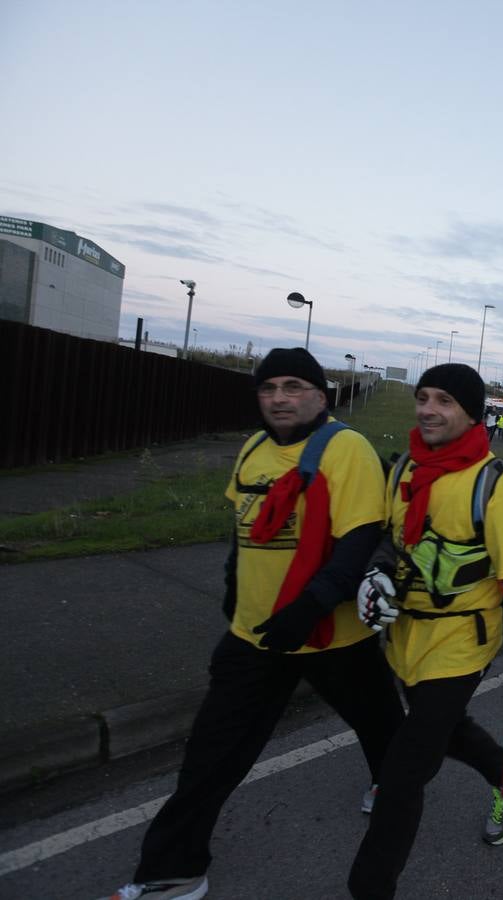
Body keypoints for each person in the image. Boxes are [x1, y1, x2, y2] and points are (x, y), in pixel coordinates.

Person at [108, 348, 405, 900]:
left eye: (293, 386)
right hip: (255, 637)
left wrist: (310, 606)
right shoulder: (252, 448)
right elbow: (241, 531)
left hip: (331, 636)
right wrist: (231, 585)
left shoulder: (348, 450)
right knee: (210, 756)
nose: (279, 398)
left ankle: (392, 785)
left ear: (321, 394)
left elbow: (358, 541)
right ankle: (173, 873)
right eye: (269, 388)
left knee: (381, 724)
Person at [347, 363, 503, 900]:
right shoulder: (404, 470)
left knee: (402, 776)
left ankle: (370, 888)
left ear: (470, 412)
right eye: (423, 397)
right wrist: (375, 572)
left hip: (462, 645)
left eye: (443, 400)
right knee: (449, 730)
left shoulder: (496, 487)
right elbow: (390, 539)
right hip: (405, 640)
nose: (428, 409)